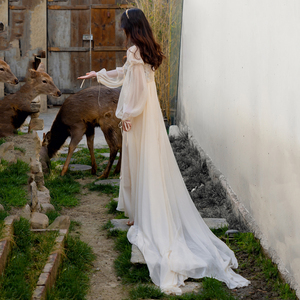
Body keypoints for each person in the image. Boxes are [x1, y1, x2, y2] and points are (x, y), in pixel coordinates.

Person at [78, 8, 250, 295]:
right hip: (150, 119)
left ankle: (144, 215)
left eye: (123, 28)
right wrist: (101, 74)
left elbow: (138, 92)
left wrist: (127, 114)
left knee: (138, 163)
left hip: (139, 119)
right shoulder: (145, 52)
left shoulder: (134, 52)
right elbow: (128, 76)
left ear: (130, 30)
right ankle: (140, 211)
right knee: (147, 163)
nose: (122, 33)